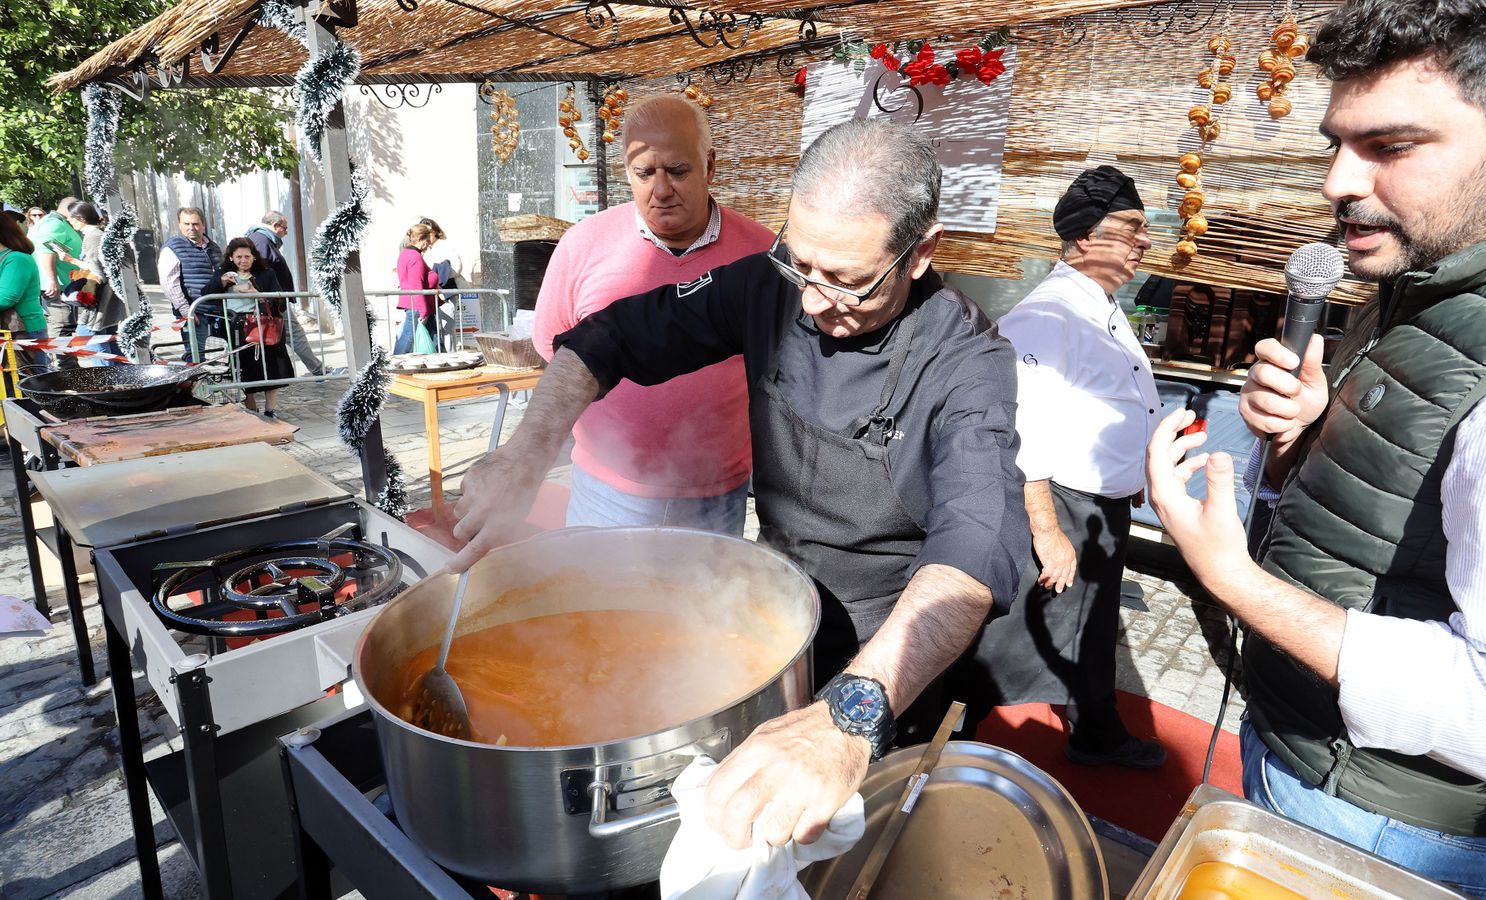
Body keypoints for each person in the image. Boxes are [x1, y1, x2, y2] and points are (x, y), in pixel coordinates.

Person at [451, 118, 1029, 850]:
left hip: (894, 657)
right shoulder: (769, 282)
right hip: (772, 619)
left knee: (862, 852)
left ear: (922, 253)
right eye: (801, 265)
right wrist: (526, 453)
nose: (815, 302)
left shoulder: (971, 361)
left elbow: (972, 552)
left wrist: (850, 717)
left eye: (849, 282)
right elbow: (611, 336)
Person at [1144, 0, 1486, 895]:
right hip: (1321, 764)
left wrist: (1234, 578)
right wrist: (1310, 442)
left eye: (1390, 147)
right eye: (1334, 144)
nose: (1337, 184)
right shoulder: (1443, 273)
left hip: (1391, 828)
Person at [962, 166, 1166, 768]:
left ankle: (1094, 731)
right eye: (1130, 227)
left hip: (1096, 505)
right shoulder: (1048, 315)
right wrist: (1047, 531)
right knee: (1007, 636)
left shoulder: (1098, 304)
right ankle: (936, 737)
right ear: (1083, 238)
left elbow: (1107, 399)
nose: (1145, 241)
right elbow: (1020, 427)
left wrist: (1124, 474)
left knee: (1092, 627)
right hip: (1056, 504)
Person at [530, 93, 773, 534]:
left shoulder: (760, 253)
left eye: (678, 171)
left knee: (703, 604)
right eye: (644, 173)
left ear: (710, 166)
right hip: (606, 491)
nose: (660, 191)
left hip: (716, 495)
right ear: (627, 170)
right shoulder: (583, 244)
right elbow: (553, 348)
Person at [202, 238, 290, 417]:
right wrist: (222, 282)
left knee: (271, 369)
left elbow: (280, 302)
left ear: (254, 257)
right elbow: (205, 295)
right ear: (232, 258)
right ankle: (252, 409)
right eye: (239, 256)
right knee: (245, 371)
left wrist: (259, 295)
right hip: (235, 327)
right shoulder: (224, 272)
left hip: (262, 326)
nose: (243, 260)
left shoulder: (266, 273)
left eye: (247, 256)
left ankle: (270, 410)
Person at [247, 211, 335, 376]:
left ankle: (316, 368)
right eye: (285, 228)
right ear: (275, 226)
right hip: (271, 300)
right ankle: (317, 369)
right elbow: (261, 272)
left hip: (274, 299)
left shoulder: (263, 240)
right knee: (294, 333)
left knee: (290, 334)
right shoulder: (261, 240)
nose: (286, 232)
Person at [158, 207, 223, 363]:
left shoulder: (213, 247)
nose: (191, 228)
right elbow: (169, 282)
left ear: (203, 225)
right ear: (180, 225)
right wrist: (186, 311)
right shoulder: (173, 247)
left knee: (219, 356)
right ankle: (195, 386)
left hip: (216, 311)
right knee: (195, 356)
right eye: (186, 224)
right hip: (195, 312)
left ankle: (213, 386)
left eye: (195, 224)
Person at [64, 201, 123, 367]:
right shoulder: (97, 234)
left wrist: (72, 261)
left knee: (90, 335)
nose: (69, 221)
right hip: (105, 297)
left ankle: (110, 379)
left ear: (81, 218)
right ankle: (122, 378)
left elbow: (97, 272)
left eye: (71, 218)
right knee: (107, 339)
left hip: (99, 298)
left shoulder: (93, 236)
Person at [28, 197, 83, 356]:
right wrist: (52, 279)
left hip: (61, 283)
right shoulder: (55, 223)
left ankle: (64, 367)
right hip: (57, 286)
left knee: (63, 326)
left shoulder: (54, 222)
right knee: (62, 326)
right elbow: (47, 251)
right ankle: (63, 370)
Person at [0, 212, 49, 373]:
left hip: (25, 332)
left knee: (32, 385)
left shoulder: (17, 259)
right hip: (8, 331)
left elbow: (6, 298)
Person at [417, 217, 463, 350]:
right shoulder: (423, 250)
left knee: (446, 326)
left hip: (445, 291)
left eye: (429, 233)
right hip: (429, 293)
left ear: (436, 232)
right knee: (433, 327)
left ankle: (451, 355)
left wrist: (437, 272)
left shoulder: (445, 247)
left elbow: (456, 267)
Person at [394, 223, 439, 354]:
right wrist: (423, 311)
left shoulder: (406, 254)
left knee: (434, 337)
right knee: (407, 338)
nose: (429, 245)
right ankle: (394, 365)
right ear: (420, 239)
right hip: (417, 305)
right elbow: (416, 286)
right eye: (427, 241)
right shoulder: (415, 257)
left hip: (418, 303)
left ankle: (440, 362)